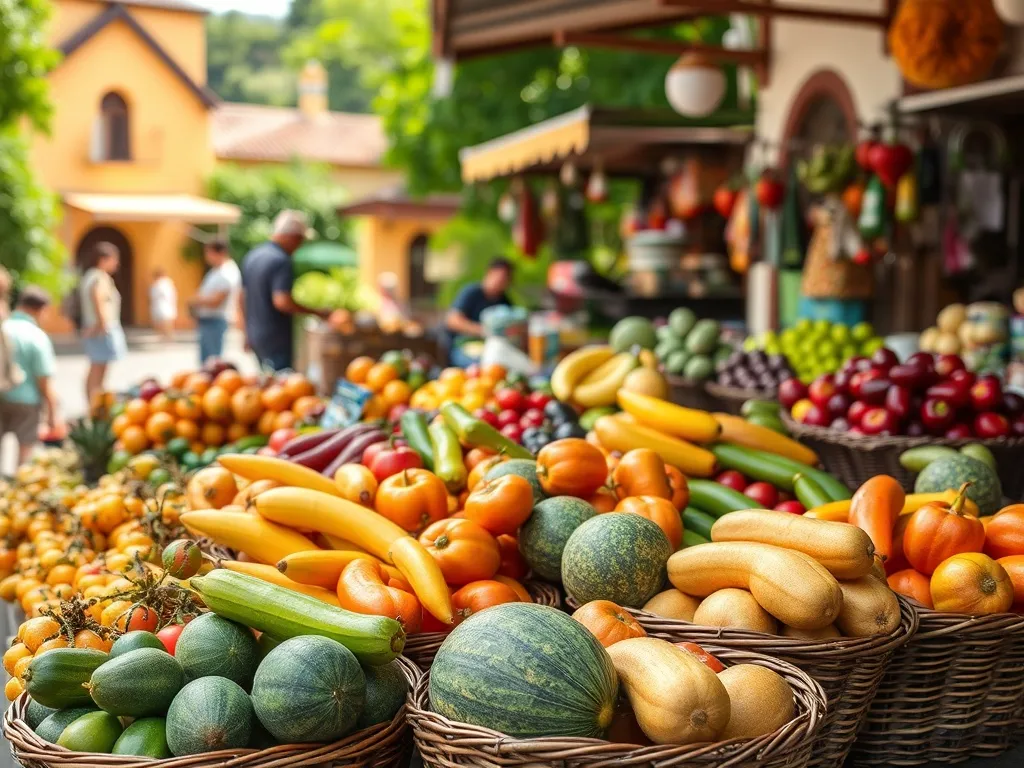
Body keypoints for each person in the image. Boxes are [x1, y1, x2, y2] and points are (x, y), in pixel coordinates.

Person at [238, 210, 329, 371]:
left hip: (256, 335)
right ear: (292, 236)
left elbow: (241, 297)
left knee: (266, 385)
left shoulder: (253, 256)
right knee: (280, 389)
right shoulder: (281, 260)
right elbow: (282, 301)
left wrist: (246, 332)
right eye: (299, 240)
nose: (298, 245)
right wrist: (316, 312)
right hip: (276, 338)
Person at [1, 287, 61, 466]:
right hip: (27, 402)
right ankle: (17, 487)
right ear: (40, 309)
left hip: (1, 394)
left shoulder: (3, 327)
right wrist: (52, 413)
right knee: (25, 454)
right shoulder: (37, 336)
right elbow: (44, 380)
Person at [80, 242, 126, 405]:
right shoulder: (98, 277)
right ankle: (95, 405)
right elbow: (98, 299)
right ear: (103, 259)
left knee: (96, 368)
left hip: (97, 327)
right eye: (114, 259)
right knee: (98, 370)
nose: (116, 263)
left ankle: (94, 404)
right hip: (101, 329)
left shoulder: (91, 275)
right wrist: (102, 324)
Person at [444, 258, 513, 367]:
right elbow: (452, 320)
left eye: (505, 279)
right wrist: (482, 330)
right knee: (483, 365)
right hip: (464, 347)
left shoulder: (504, 301)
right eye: (500, 278)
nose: (501, 282)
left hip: (493, 348)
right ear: (489, 273)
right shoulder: (472, 292)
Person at [189, 241, 241, 364]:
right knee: (206, 362)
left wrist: (198, 300)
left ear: (220, 253)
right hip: (208, 320)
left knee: (213, 363)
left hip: (215, 320)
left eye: (209, 253)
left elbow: (217, 300)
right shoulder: (216, 271)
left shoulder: (227, 272)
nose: (207, 257)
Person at [148, 268, 177, 340]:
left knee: (166, 320)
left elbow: (168, 295)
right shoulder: (158, 284)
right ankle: (163, 335)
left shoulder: (164, 283)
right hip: (160, 304)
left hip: (164, 304)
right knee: (161, 321)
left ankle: (168, 335)